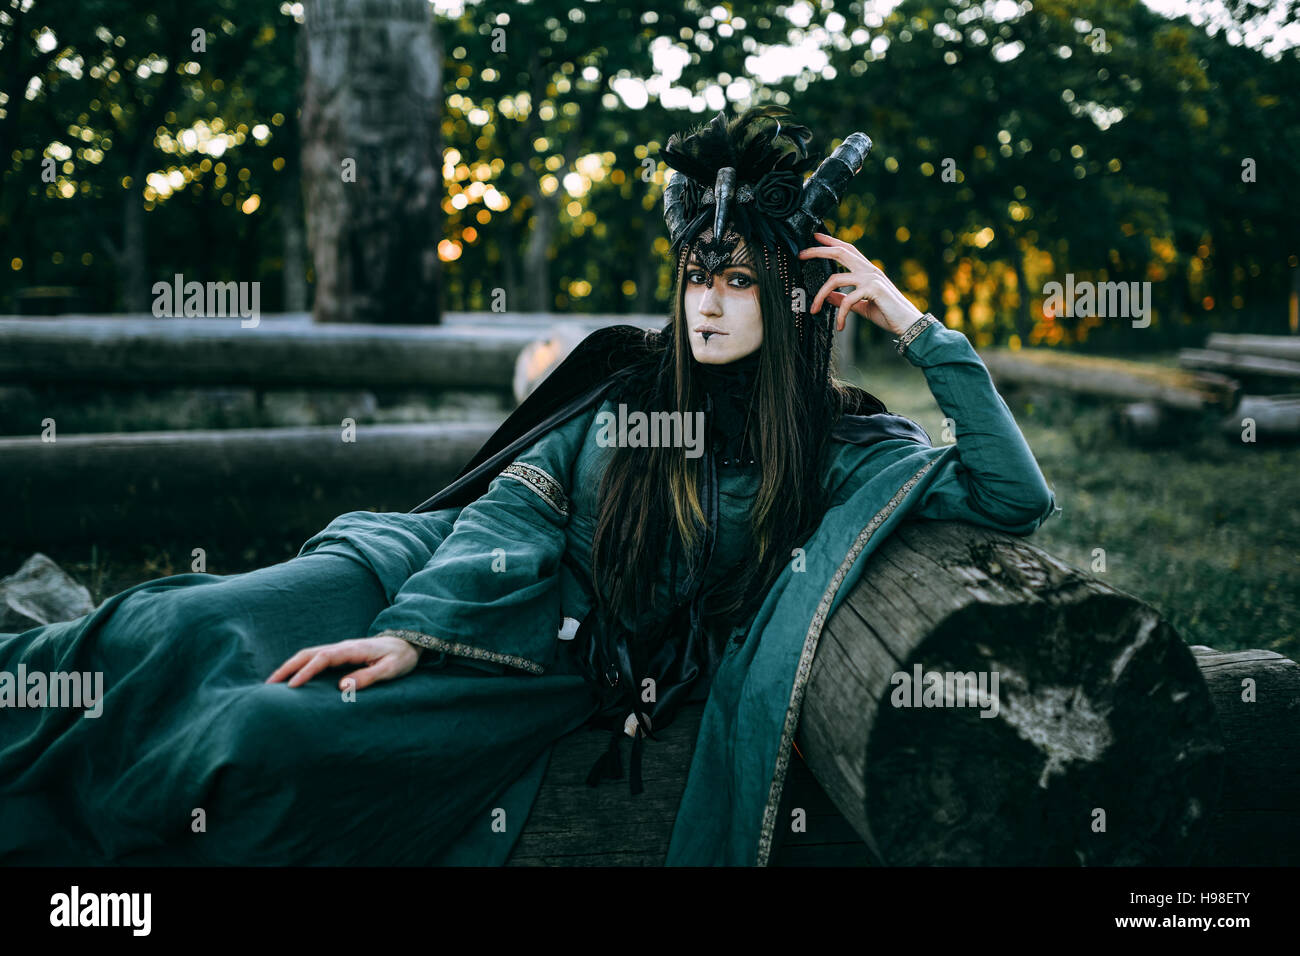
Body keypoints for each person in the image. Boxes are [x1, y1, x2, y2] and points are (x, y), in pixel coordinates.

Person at [0, 106, 1058, 866]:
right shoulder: (627, 379)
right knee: (166, 622)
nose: (710, 301)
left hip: (537, 649)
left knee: (263, 738)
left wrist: (917, 327)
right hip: (442, 571)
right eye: (699, 272)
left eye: (740, 280)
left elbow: (1015, 495)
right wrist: (414, 623)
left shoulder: (835, 444)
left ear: (794, 297)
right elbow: (515, 498)